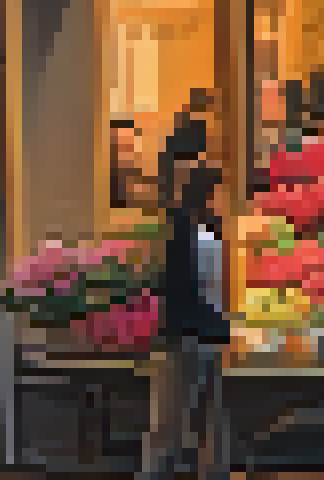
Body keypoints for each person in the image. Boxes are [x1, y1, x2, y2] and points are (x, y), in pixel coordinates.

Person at [146, 163, 230, 480]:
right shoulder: (189, 233)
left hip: (193, 336)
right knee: (178, 423)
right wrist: (220, 326)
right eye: (220, 191)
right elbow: (191, 290)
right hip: (190, 336)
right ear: (208, 194)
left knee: (183, 423)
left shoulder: (194, 230)